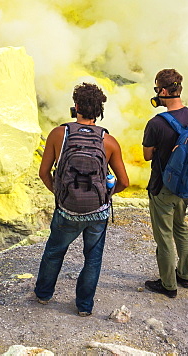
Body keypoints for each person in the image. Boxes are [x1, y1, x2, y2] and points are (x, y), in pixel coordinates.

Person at [35, 83, 129, 317]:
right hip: (97, 212)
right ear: (100, 110)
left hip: (67, 209)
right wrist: (106, 195)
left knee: (55, 251)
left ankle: (44, 295)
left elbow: (43, 172)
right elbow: (124, 182)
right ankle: (84, 307)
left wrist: (59, 193)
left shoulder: (60, 134)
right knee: (92, 259)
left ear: (76, 106)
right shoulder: (109, 141)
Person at [142, 68, 188, 298]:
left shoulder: (156, 123)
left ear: (163, 91)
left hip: (163, 187)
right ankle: (184, 274)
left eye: (156, 90)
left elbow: (147, 155)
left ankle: (168, 285)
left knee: (164, 235)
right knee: (181, 228)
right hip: (186, 185)